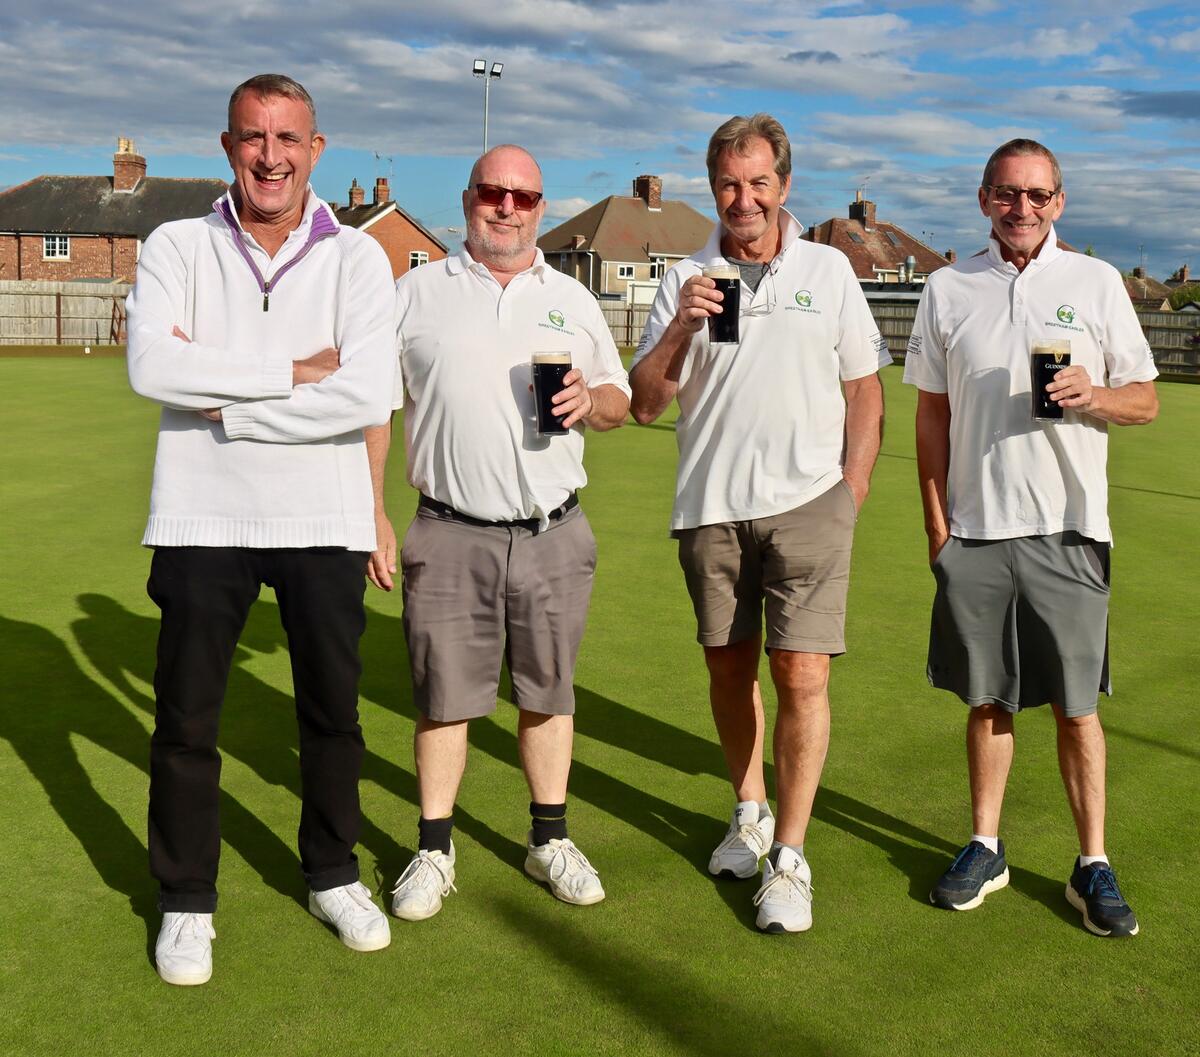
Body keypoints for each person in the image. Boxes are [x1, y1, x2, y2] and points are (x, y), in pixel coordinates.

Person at [126, 74, 397, 985]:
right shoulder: (174, 242)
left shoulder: (359, 258)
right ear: (227, 144)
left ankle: (330, 872)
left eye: (288, 137)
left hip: (325, 516)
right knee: (186, 721)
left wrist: (231, 404)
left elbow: (367, 391)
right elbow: (154, 367)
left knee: (331, 716)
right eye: (253, 136)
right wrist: (294, 374)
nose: (270, 155)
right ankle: (186, 899)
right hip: (202, 518)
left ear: (317, 149)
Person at [629, 114, 888, 933]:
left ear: (784, 185)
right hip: (710, 508)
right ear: (715, 188)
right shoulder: (684, 277)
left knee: (802, 678)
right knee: (728, 671)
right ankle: (750, 811)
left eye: (759, 183)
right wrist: (680, 324)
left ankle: (792, 856)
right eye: (730, 185)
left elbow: (864, 388)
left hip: (810, 504)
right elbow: (644, 404)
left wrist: (850, 489)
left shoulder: (829, 268)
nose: (744, 199)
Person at [366, 145, 630, 921]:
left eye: (523, 195)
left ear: (541, 207)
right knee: (443, 699)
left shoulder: (574, 300)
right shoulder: (415, 292)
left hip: (554, 530)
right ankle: (435, 846)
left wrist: (593, 401)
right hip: (448, 530)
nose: (507, 206)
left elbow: (617, 397)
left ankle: (549, 838)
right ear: (469, 199)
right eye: (493, 192)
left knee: (548, 691)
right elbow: (373, 409)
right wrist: (372, 513)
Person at [904, 138, 1158, 937]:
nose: (1023, 209)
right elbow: (931, 413)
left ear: (1061, 202)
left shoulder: (1096, 282)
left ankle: (1092, 862)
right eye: (1008, 194)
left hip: (1070, 530)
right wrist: (938, 524)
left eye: (1038, 195)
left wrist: (1095, 396)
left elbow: (1146, 399)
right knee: (987, 701)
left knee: (1077, 709)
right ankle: (986, 843)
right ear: (984, 199)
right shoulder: (948, 287)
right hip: (976, 532)